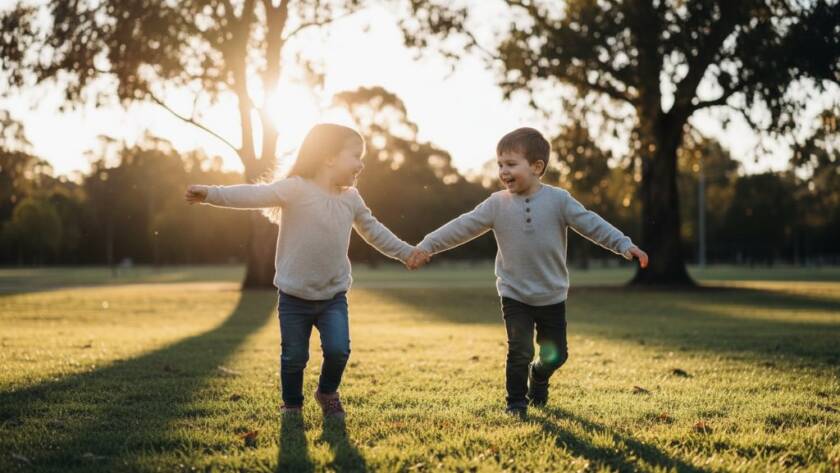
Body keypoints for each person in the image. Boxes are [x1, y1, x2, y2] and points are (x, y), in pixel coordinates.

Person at [185, 123, 427, 418]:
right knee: (294, 357)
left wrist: (405, 253)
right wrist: (211, 193)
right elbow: (254, 195)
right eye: (355, 155)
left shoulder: (351, 198)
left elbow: (375, 231)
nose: (361, 164)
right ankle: (292, 405)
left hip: (333, 296)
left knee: (339, 351)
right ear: (329, 157)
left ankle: (327, 392)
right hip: (294, 297)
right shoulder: (296, 189)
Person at [408, 127, 648, 418]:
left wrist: (624, 244)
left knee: (556, 355)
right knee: (519, 349)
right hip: (514, 293)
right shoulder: (496, 204)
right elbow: (463, 226)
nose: (503, 171)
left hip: (551, 294)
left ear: (536, 167)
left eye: (511, 164)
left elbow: (591, 224)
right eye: (500, 164)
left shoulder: (559, 200)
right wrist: (428, 245)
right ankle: (516, 404)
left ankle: (539, 376)